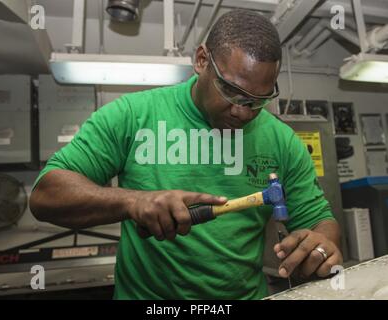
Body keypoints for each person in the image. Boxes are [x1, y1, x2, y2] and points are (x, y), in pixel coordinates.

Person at [30, 9, 343, 299]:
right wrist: (132, 201)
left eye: (258, 100)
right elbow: (46, 195)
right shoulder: (134, 115)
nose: (243, 111)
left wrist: (321, 246)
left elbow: (320, 221)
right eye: (232, 92)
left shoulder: (281, 140)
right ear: (201, 60)